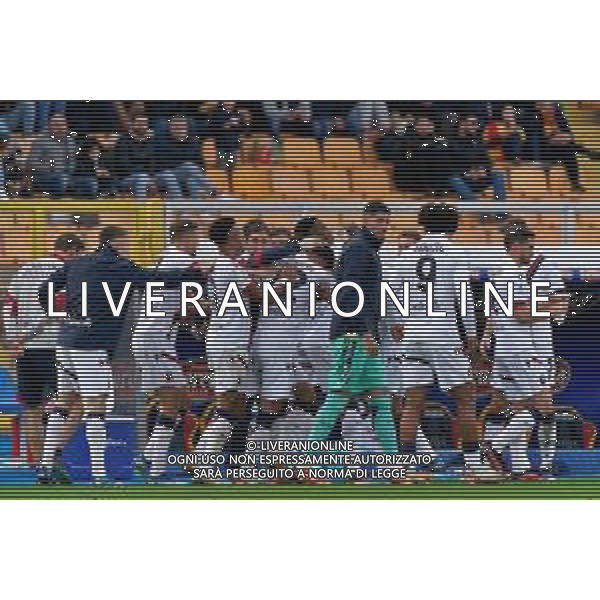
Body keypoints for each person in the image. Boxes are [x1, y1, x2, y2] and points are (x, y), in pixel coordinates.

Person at [38, 226, 206, 484]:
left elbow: (45, 289)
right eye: (127, 242)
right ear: (116, 242)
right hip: (92, 345)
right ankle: (99, 475)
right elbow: (153, 279)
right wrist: (194, 274)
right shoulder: (119, 265)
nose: (129, 247)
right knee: (96, 409)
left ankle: (46, 466)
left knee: (63, 403)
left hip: (65, 341)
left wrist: (61, 315)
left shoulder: (77, 262)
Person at [390, 203, 497, 482]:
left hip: (413, 336)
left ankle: (407, 468)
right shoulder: (456, 253)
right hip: (443, 335)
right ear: (454, 225)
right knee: (465, 400)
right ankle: (474, 467)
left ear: (422, 223)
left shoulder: (407, 254)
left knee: (412, 404)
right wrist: (472, 337)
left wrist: (398, 325)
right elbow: (463, 297)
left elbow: (393, 296)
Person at [481, 223, 569, 480]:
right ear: (512, 246)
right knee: (541, 405)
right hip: (524, 350)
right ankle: (501, 451)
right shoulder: (509, 271)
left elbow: (560, 305)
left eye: (532, 244)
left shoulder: (538, 266)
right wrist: (488, 338)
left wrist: (537, 309)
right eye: (525, 244)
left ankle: (518, 466)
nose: (531, 249)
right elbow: (515, 313)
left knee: (509, 404)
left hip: (520, 348)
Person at [309, 202, 398, 454]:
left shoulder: (366, 249)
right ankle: (305, 462)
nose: (382, 225)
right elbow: (347, 293)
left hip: (364, 334)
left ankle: (393, 466)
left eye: (385, 220)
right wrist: (364, 331)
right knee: (337, 398)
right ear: (364, 220)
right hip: (353, 335)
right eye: (376, 220)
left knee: (381, 399)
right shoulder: (359, 249)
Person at [2, 234, 85, 483]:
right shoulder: (69, 272)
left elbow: (9, 306)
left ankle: (41, 469)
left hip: (25, 350)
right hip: (56, 347)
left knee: (32, 410)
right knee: (81, 400)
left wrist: (13, 340)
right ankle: (53, 455)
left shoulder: (26, 269)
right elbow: (59, 310)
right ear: (73, 251)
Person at [132, 221, 207, 481]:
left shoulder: (166, 259)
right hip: (154, 341)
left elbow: (181, 308)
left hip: (156, 339)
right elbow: (193, 302)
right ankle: (153, 467)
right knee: (170, 404)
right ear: (185, 238)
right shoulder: (181, 260)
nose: (198, 243)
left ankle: (150, 461)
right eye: (196, 237)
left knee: (178, 402)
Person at [448, 115, 508, 219]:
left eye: (476, 124)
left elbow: (487, 161)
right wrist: (467, 172)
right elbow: (448, 165)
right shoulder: (450, 142)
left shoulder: (477, 140)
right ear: (462, 124)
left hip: (479, 177)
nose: (476, 127)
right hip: (462, 180)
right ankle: (481, 212)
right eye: (473, 124)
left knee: (498, 175)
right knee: (454, 178)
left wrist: (484, 169)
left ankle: (500, 212)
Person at [155, 116, 216, 204]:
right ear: (169, 128)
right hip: (162, 176)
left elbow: (199, 165)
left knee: (192, 180)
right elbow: (157, 162)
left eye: (180, 127)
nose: (177, 129)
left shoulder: (193, 142)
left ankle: (198, 208)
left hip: (182, 176)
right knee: (176, 171)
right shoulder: (161, 141)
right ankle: (182, 206)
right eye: (174, 127)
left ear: (187, 128)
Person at [29, 114, 78, 198]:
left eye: (62, 124)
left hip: (66, 175)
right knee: (61, 181)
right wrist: (49, 166)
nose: (59, 127)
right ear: (49, 126)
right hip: (45, 177)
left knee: (88, 183)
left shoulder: (70, 141)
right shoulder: (42, 141)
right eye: (56, 124)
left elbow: (73, 163)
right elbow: (32, 162)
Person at [114, 114, 157, 199]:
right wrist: (145, 174)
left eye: (144, 123)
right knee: (142, 178)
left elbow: (154, 162)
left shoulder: (152, 140)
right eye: (139, 122)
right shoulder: (124, 140)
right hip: (125, 178)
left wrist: (151, 176)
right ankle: (140, 208)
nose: (141, 125)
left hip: (148, 177)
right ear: (133, 124)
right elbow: (123, 165)